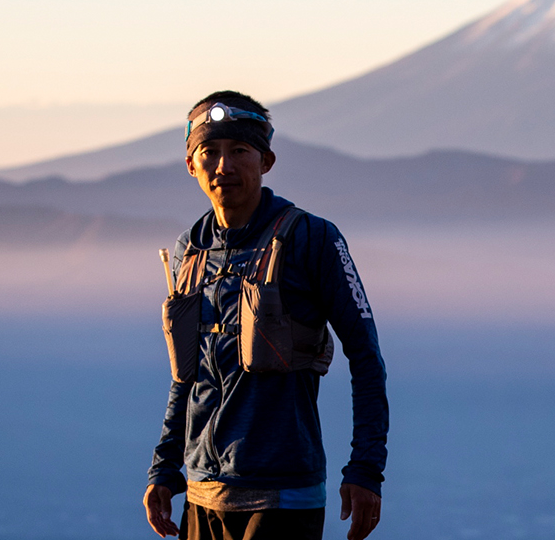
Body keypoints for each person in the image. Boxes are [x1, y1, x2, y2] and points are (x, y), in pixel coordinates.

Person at [145, 91, 389, 540]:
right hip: (203, 494)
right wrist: (164, 468)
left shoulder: (312, 239)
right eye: (210, 152)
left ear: (266, 161)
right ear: (190, 164)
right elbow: (186, 373)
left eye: (239, 151)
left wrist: (366, 467)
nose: (224, 166)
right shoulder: (189, 250)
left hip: (283, 497)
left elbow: (366, 356)